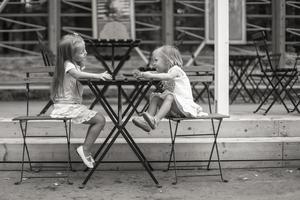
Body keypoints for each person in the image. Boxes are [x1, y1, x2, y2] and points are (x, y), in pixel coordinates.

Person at [50, 33, 112, 168]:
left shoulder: (72, 64)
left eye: (85, 50)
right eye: (81, 52)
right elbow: (77, 75)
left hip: (70, 105)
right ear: (70, 55)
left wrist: (81, 60)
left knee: (100, 119)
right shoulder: (67, 65)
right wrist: (98, 75)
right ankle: (85, 149)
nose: (85, 53)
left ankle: (85, 149)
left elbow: (79, 71)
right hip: (67, 107)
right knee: (100, 120)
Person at [132, 45, 207, 132]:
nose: (153, 64)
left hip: (184, 107)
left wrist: (151, 75)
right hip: (175, 108)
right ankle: (148, 122)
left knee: (169, 96)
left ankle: (155, 120)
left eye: (156, 60)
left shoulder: (176, 70)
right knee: (155, 97)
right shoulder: (165, 71)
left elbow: (168, 76)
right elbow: (153, 73)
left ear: (167, 60)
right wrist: (141, 74)